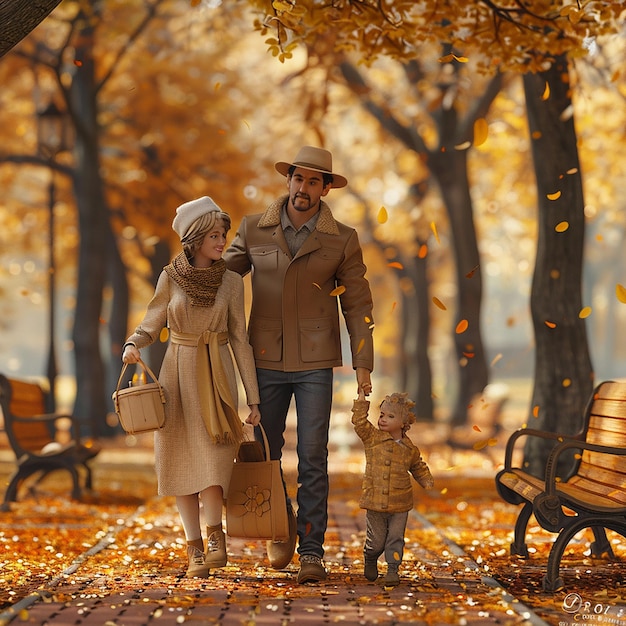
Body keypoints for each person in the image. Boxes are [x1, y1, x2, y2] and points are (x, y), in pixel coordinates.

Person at [224, 145, 374, 583]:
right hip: (264, 359)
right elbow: (219, 277)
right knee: (264, 455)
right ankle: (279, 523)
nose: (303, 188)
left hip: (315, 362)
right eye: (297, 178)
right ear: (287, 180)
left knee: (312, 456)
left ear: (326, 188)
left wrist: (362, 360)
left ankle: (311, 550)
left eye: (313, 181)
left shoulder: (341, 238)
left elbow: (359, 305)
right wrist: (182, 268)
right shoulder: (253, 229)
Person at [121, 196, 261, 579]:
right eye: (215, 235)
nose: (222, 242)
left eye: (224, 234)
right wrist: (134, 343)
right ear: (196, 238)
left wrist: (253, 397)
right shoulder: (170, 276)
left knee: (216, 456)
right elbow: (153, 319)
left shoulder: (232, 282)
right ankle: (194, 546)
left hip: (217, 376)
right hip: (176, 375)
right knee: (180, 458)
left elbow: (239, 339)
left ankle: (216, 536)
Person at [351, 389, 434, 587]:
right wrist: (362, 403)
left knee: (396, 538)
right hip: (375, 501)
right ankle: (370, 557)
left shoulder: (409, 448)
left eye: (390, 416)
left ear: (404, 423)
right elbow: (360, 423)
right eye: (381, 415)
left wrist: (426, 480)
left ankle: (392, 569)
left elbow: (418, 466)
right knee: (376, 542)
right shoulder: (372, 438)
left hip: (400, 503)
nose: (383, 419)